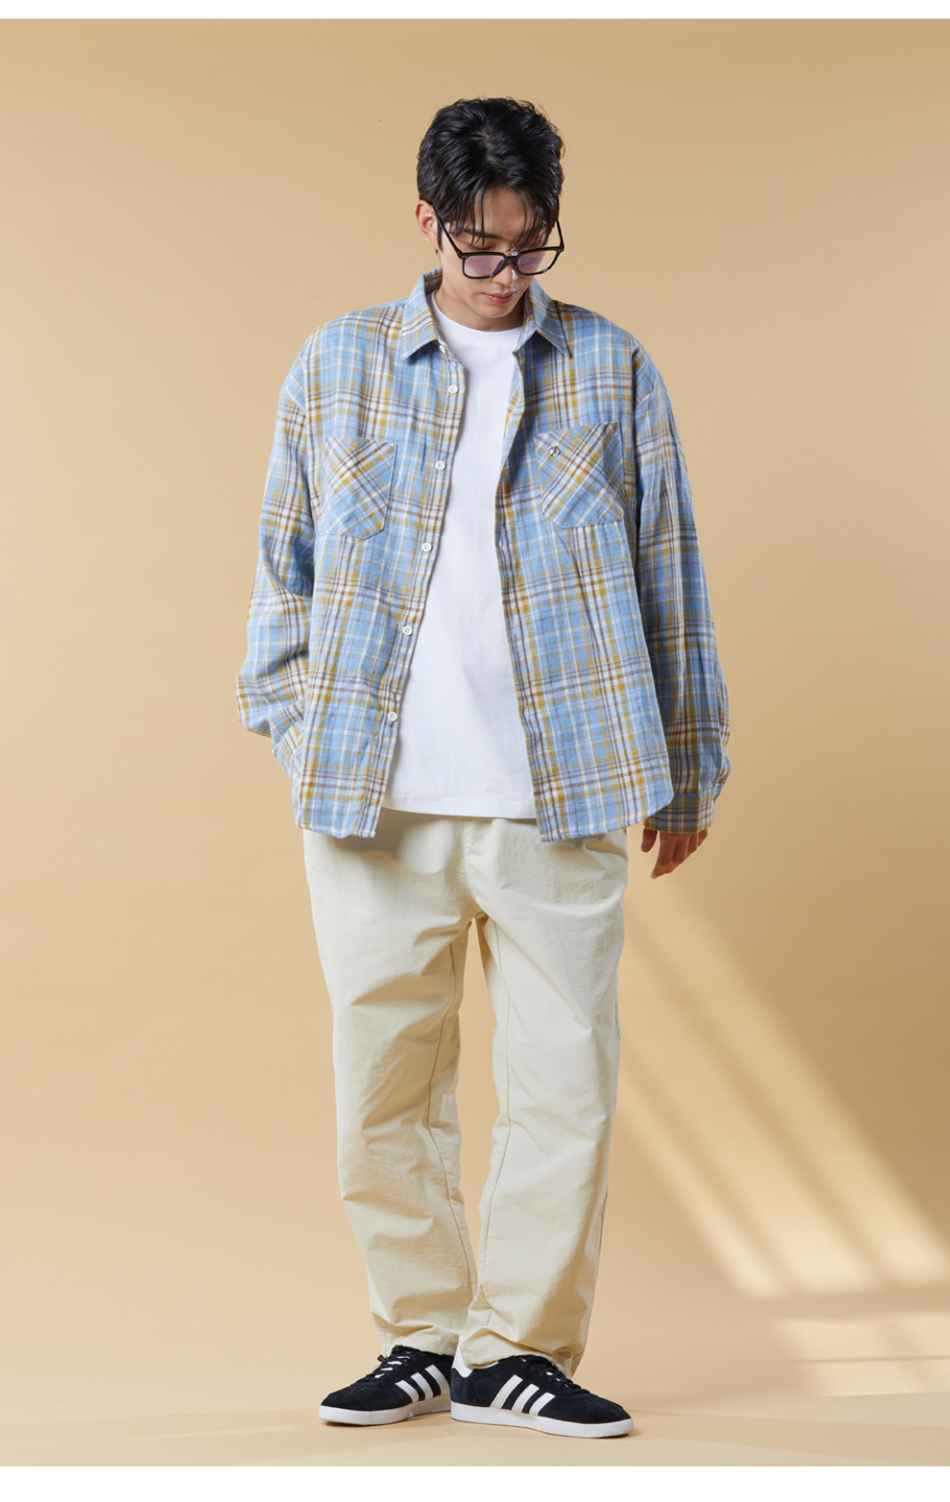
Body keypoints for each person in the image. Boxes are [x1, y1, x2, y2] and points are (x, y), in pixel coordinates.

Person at [237, 89, 730, 1435]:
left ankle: (521, 1350)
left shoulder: (612, 368)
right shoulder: (336, 364)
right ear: (428, 221)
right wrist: (296, 727)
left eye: (528, 245)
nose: (503, 271)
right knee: (383, 1087)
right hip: (373, 799)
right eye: (478, 244)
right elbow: (281, 566)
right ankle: (419, 1336)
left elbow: (670, 569)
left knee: (565, 1085)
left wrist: (690, 765)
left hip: (559, 790)